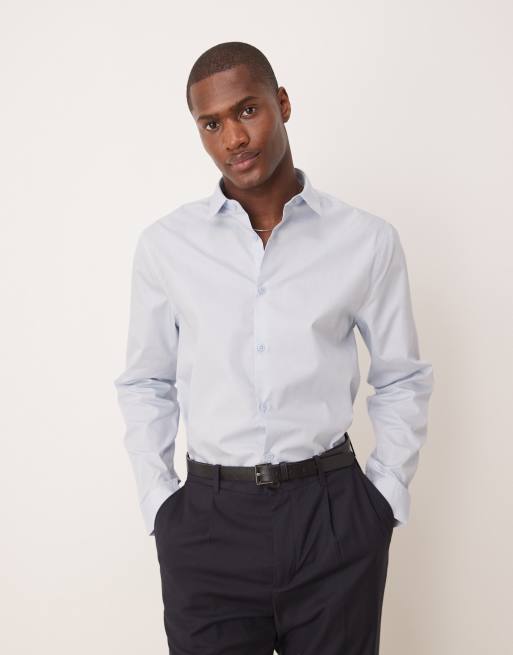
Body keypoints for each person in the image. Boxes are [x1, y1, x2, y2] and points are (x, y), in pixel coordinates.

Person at [113, 41, 434, 655]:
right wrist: (161, 504)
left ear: (282, 104)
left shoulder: (365, 240)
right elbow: (146, 382)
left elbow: (401, 377)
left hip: (332, 518)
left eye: (247, 111)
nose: (234, 138)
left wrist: (383, 497)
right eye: (211, 124)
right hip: (207, 524)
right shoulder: (166, 247)